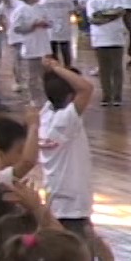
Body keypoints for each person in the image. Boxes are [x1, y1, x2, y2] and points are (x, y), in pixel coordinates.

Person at [39, 59, 96, 237]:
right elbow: (86, 88)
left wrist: (55, 71)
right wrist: (56, 68)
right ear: (71, 97)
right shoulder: (66, 121)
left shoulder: (45, 115)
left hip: (54, 199)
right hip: (74, 205)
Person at [87, 0, 130, 108]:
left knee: (117, 68)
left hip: (116, 38)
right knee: (104, 69)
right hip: (100, 39)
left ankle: (117, 95)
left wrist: (104, 15)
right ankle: (107, 95)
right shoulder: (93, 1)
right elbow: (94, 18)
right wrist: (110, 15)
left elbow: (119, 12)